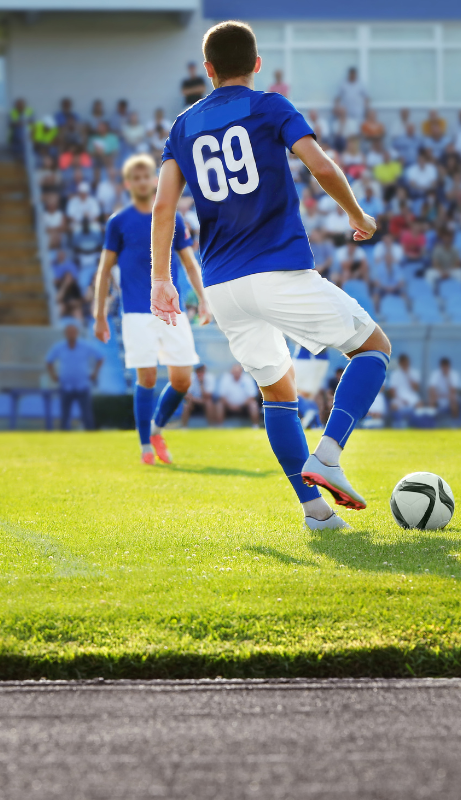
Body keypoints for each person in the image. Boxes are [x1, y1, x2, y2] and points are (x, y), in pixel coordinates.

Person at [152, 21, 390, 531]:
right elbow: (321, 167)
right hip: (277, 268)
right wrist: (357, 216)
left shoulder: (183, 126)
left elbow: (163, 209)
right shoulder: (271, 106)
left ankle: (315, 514)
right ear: (257, 64)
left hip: (222, 286)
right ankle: (327, 456)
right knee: (373, 348)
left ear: (208, 70)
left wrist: (160, 277)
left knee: (278, 394)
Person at [94, 153, 210, 464]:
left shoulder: (174, 217)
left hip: (171, 311)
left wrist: (203, 298)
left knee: (183, 379)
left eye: (149, 176)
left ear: (156, 180)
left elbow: (189, 263)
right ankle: (145, 445)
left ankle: (156, 428)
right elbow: (105, 269)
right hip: (135, 312)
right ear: (128, 183)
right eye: (138, 177)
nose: (144, 181)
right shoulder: (118, 222)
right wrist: (99, 314)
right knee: (146, 377)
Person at [45, 321, 103, 431]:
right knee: (65, 416)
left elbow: (100, 357)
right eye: (69, 332)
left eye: (73, 332)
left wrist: (95, 373)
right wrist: (53, 375)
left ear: (77, 333)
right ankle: (63, 440)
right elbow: (49, 361)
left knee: (87, 415)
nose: (71, 334)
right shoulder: (59, 347)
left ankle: (92, 439)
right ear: (65, 334)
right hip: (66, 386)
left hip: (82, 385)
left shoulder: (85, 346)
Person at [428, 357, 461, 421]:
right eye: (443, 367)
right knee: (431, 401)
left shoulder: (454, 374)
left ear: (449, 366)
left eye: (446, 366)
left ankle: (455, 424)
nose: (444, 369)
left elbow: (453, 391)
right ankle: (430, 423)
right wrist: (438, 396)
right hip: (439, 398)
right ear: (440, 366)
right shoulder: (435, 374)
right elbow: (431, 390)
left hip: (449, 398)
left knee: (454, 401)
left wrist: (447, 378)